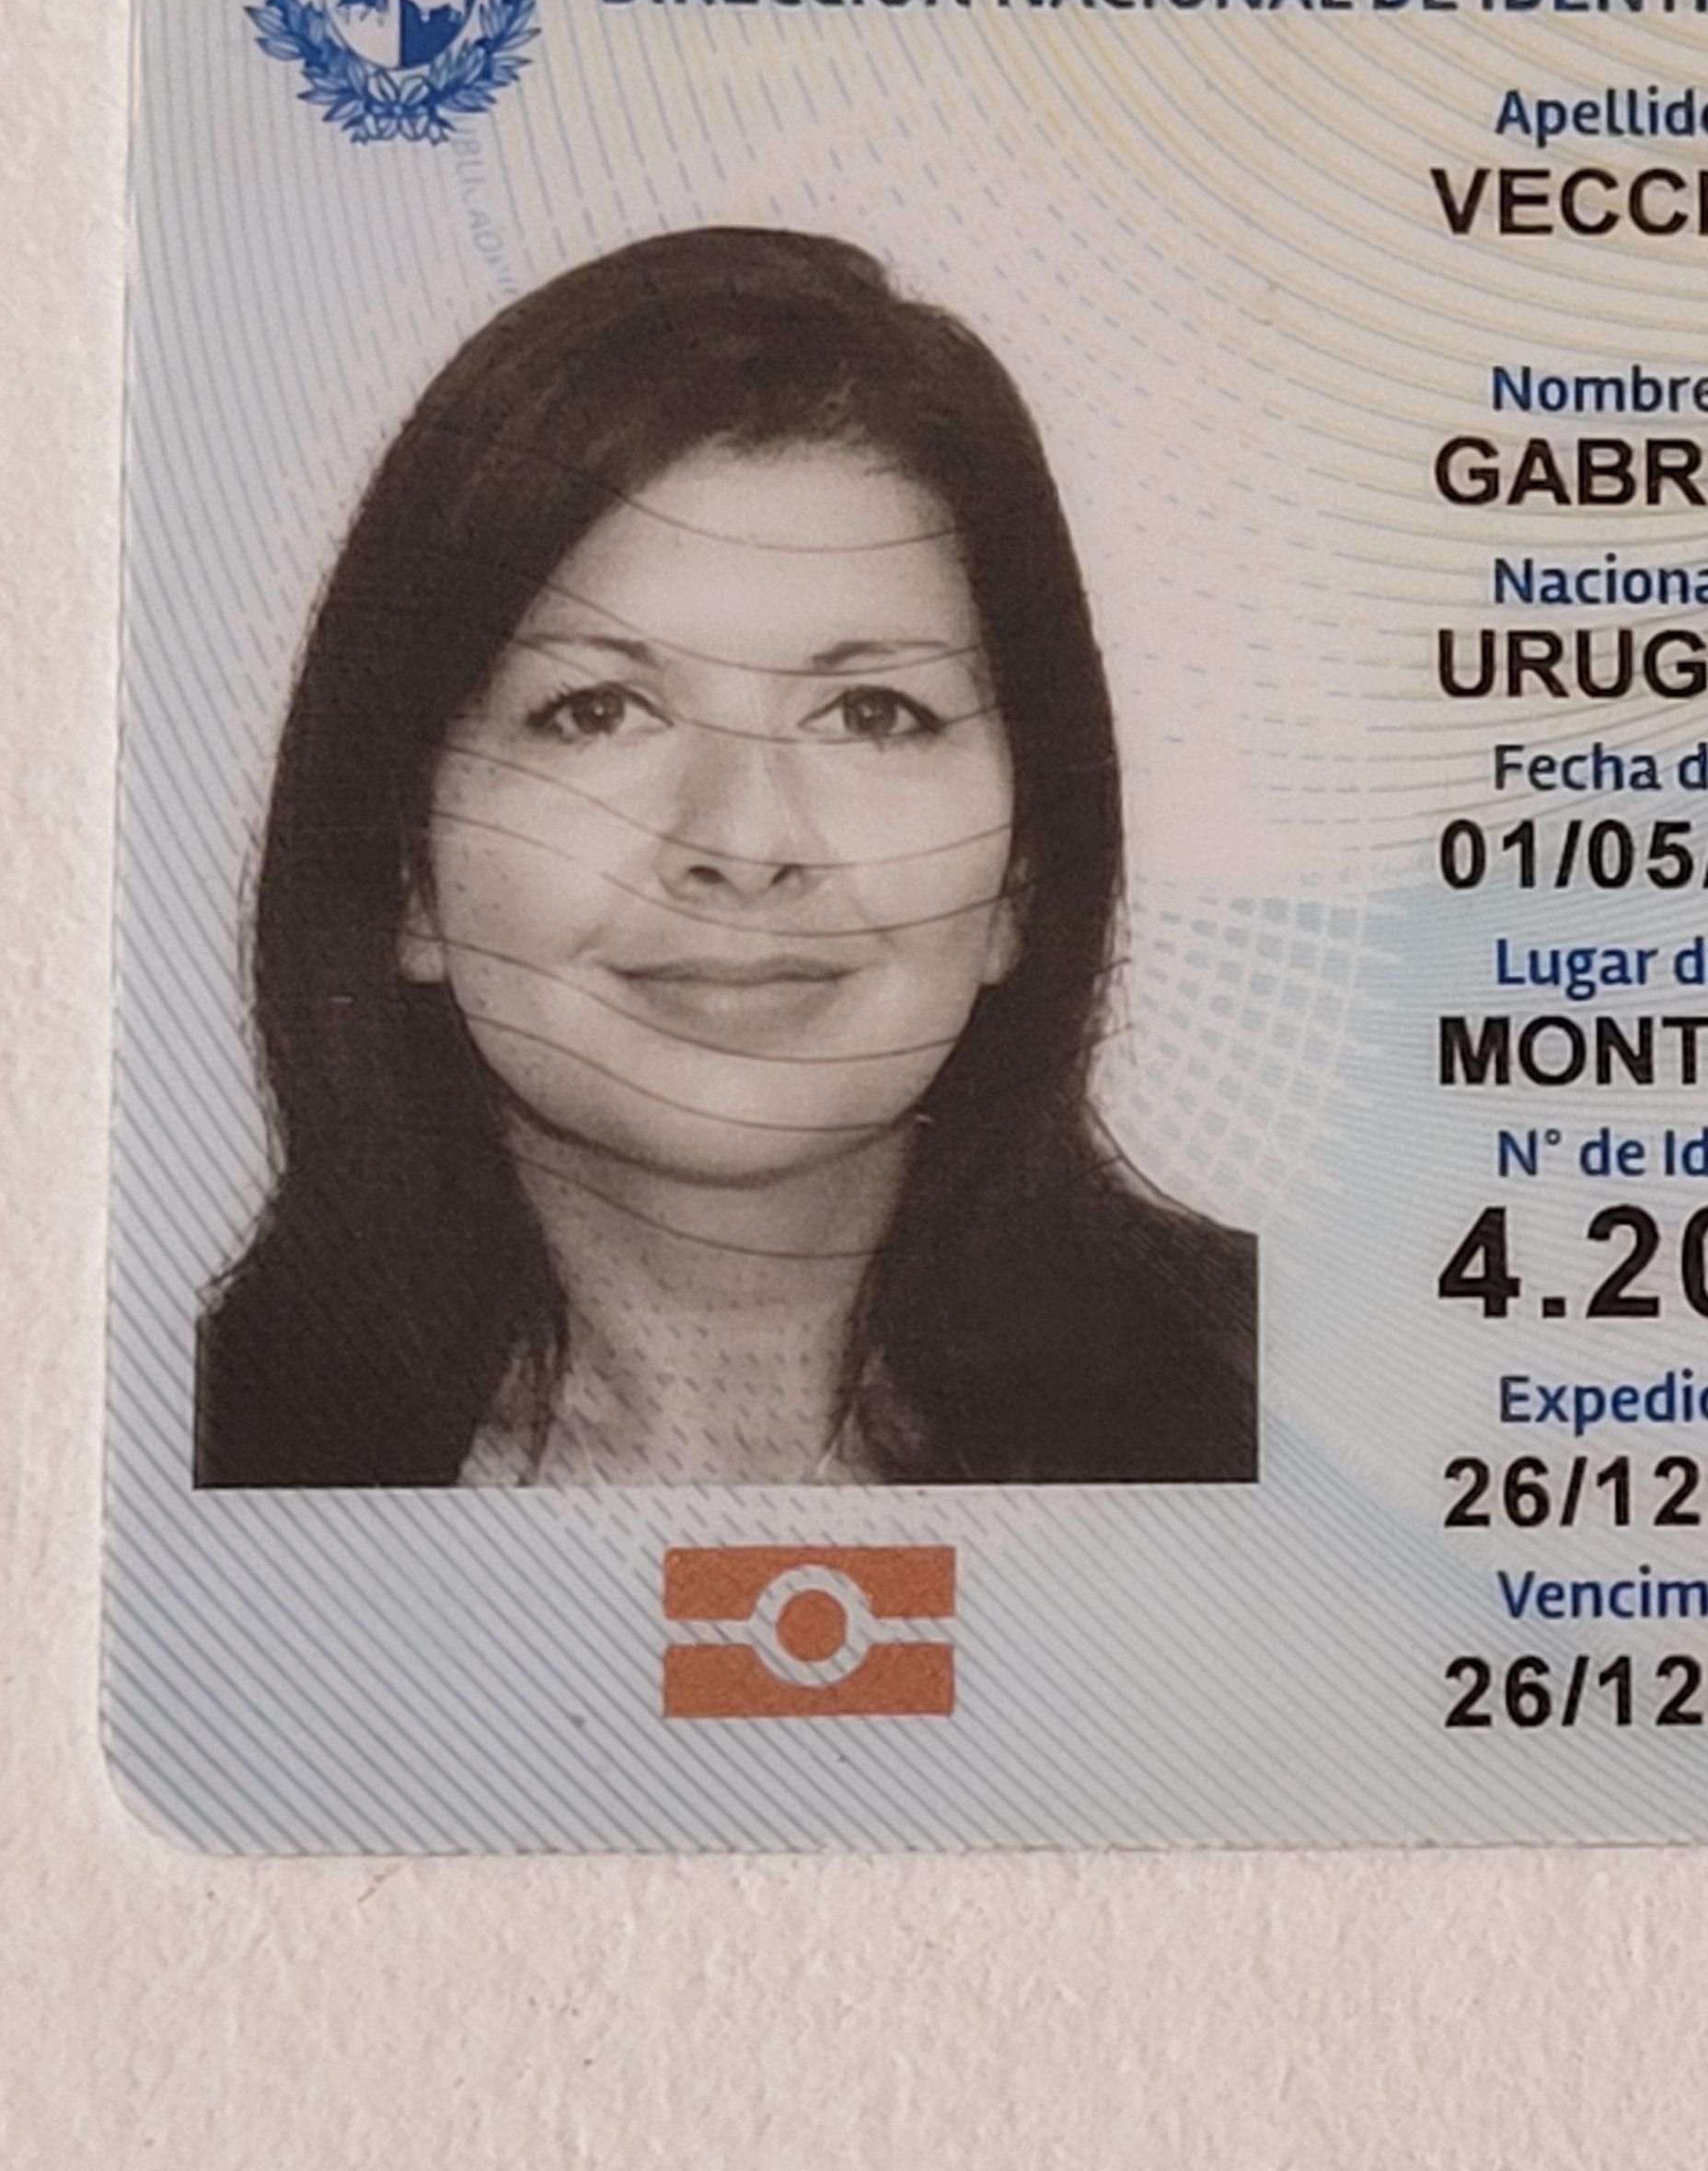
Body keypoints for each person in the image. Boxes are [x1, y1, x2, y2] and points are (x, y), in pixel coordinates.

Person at [196, 227, 1256, 1486]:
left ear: (1021, 877)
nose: (744, 845)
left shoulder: (1316, 1407)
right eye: (596, 711)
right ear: (407, 874)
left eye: (871, 714)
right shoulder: (153, 1451)